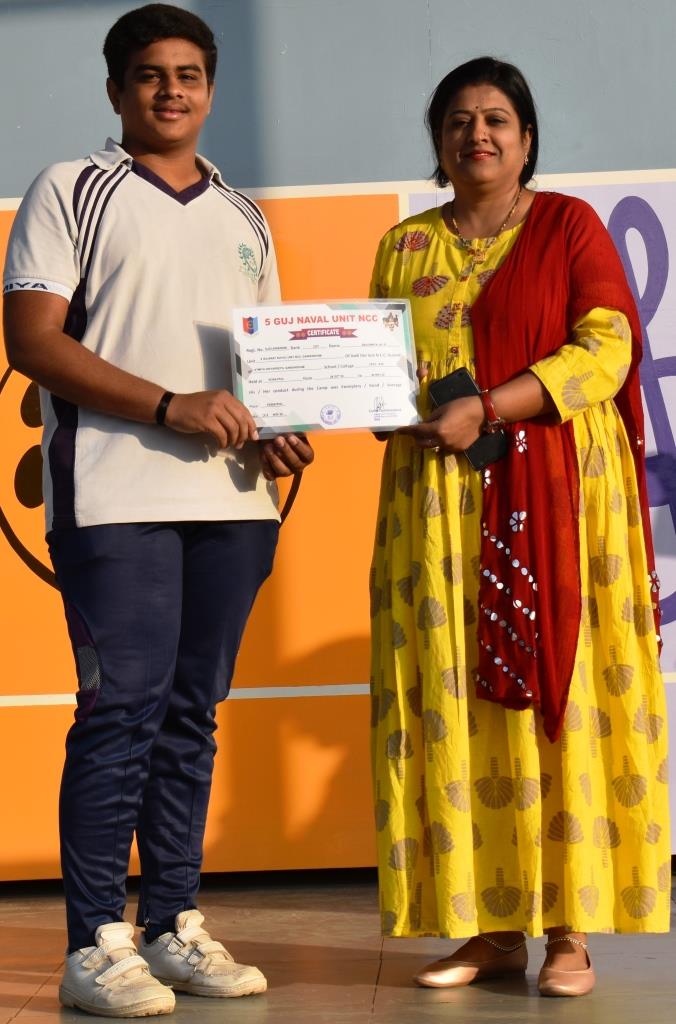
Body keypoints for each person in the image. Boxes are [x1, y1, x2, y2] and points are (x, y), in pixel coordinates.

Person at [3, 3, 313, 1017]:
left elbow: (261, 369)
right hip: (115, 496)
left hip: (234, 500)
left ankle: (172, 924)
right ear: (116, 89)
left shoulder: (245, 216)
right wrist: (171, 405)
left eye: (188, 74)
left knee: (190, 716)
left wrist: (276, 426)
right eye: (149, 74)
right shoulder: (70, 187)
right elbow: (34, 342)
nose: (170, 90)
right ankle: (94, 942)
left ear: (210, 89)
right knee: (122, 712)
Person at [369, 56, 669, 998]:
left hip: (557, 502)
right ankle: (491, 928)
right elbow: (378, 362)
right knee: (457, 699)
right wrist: (356, 400)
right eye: (459, 121)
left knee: (558, 698)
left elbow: (607, 348)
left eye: (496, 119)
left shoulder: (567, 226)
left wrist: (492, 406)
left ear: (527, 138)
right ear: (439, 141)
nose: (478, 135)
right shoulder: (405, 246)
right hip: (438, 510)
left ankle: (569, 931)